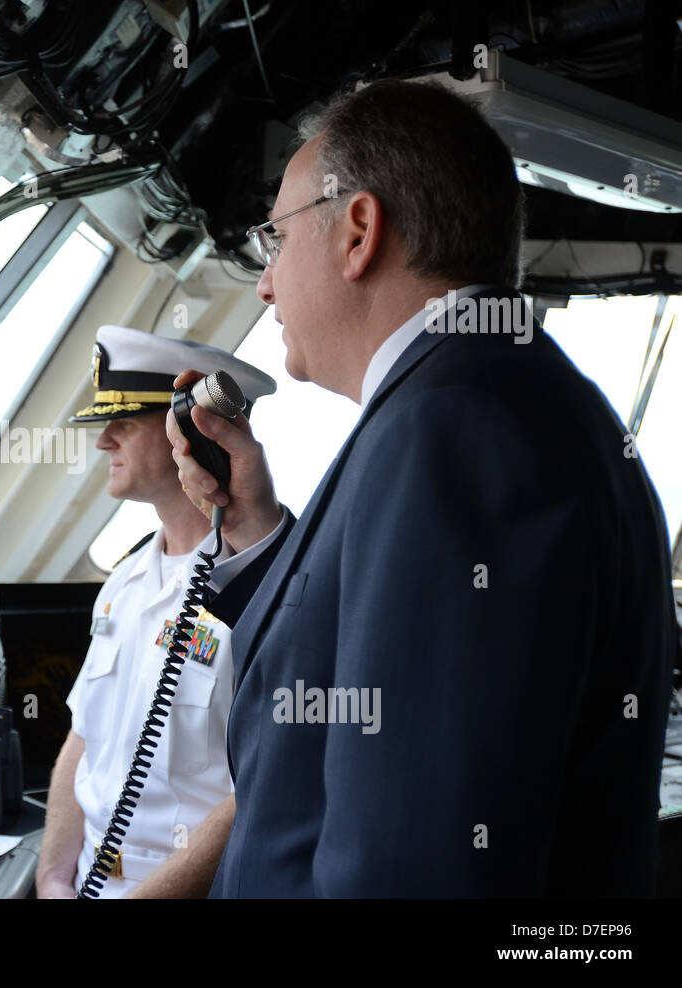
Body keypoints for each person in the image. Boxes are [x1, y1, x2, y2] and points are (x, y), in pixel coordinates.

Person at [168, 79, 676, 896]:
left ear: (358, 232)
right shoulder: (500, 397)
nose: (264, 285)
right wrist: (255, 526)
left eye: (277, 241)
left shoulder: (453, 431)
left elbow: (413, 867)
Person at [35, 324, 275, 898]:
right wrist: (50, 879)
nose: (102, 442)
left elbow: (259, 791)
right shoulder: (125, 580)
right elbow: (83, 738)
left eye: (122, 422)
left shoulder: (266, 585)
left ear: (195, 433)